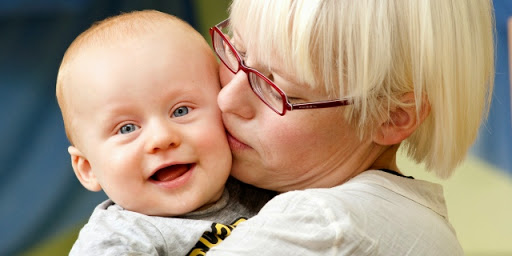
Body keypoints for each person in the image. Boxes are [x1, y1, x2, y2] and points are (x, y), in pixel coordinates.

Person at [205, 0, 495, 255]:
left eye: (278, 90)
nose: (227, 99)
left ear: (392, 117)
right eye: (237, 53)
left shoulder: (323, 226)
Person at [56, 10, 274, 255]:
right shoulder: (120, 239)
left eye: (180, 111)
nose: (162, 138)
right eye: (127, 128)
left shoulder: (264, 185)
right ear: (88, 168)